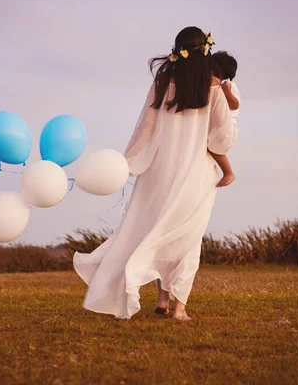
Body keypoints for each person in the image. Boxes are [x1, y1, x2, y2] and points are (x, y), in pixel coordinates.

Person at [73, 27, 239, 321]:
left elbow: (144, 130)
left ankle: (161, 301)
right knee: (185, 238)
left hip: (158, 172)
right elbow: (219, 138)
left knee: (154, 230)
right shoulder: (214, 87)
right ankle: (179, 308)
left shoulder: (163, 83)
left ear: (177, 51)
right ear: (206, 50)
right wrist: (227, 167)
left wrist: (126, 163)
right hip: (195, 173)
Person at [211, 51, 241, 188]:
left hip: (226, 126)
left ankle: (228, 172)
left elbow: (235, 105)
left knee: (212, 145)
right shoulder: (212, 85)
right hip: (218, 124)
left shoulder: (228, 85)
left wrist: (227, 92)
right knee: (210, 145)